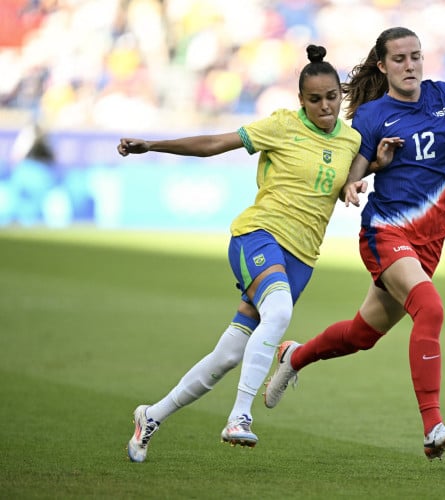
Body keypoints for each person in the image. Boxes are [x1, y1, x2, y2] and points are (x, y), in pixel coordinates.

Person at [262, 27, 445, 460]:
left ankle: (295, 356)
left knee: (363, 334)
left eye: (416, 56)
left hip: (429, 243)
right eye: (399, 59)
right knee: (430, 308)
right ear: (383, 65)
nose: (410, 65)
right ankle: (433, 426)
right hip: (385, 233)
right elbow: (353, 175)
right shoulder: (373, 116)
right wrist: (359, 181)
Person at [120, 45, 362, 462]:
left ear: (341, 95)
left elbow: (344, 177)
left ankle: (151, 416)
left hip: (302, 257)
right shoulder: (282, 126)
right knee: (280, 313)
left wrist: (367, 171)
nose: (325, 106)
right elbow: (216, 142)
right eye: (315, 99)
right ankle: (240, 417)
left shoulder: (351, 139)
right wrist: (153, 146)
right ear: (300, 100)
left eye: (331, 97)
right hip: (259, 235)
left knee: (228, 354)